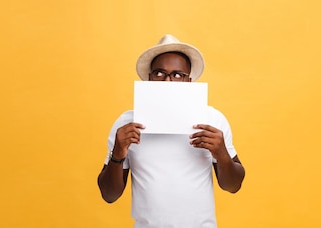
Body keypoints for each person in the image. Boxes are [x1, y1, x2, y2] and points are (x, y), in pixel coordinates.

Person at [97, 34, 246, 228]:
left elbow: (233, 186)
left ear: (189, 81)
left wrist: (222, 154)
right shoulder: (127, 124)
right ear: (149, 78)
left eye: (177, 74)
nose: (168, 80)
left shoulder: (212, 119)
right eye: (159, 73)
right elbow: (109, 195)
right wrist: (118, 153)